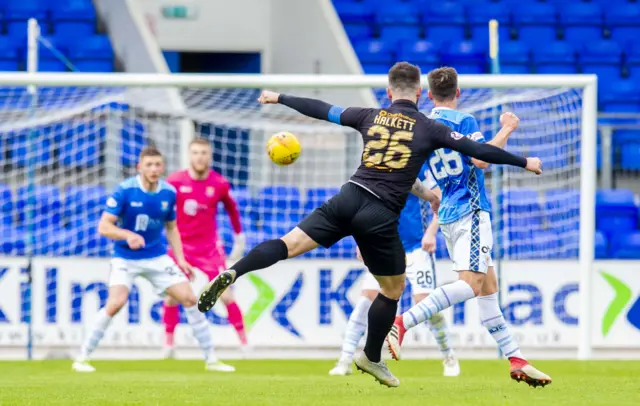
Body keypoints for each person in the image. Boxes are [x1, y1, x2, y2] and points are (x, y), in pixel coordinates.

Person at [198, 62, 542, 387]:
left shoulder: (370, 115)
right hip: (379, 216)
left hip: (347, 197)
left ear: (388, 92)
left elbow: (322, 108)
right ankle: (372, 356)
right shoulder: (429, 127)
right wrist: (525, 161)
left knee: (288, 244)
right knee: (393, 290)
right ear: (418, 95)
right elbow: (482, 152)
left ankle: (234, 271)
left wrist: (279, 98)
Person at [385, 67, 552, 388]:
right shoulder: (463, 122)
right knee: (472, 285)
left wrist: (432, 195)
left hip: (447, 211)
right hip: (471, 209)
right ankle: (401, 322)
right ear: (458, 93)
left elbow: (411, 175)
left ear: (428, 94)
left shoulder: (421, 126)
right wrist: (507, 130)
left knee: (488, 291)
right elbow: (481, 160)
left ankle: (516, 359)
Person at [72, 147, 234, 373]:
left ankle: (211, 360)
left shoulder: (168, 192)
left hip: (157, 256)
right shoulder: (125, 190)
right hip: (125, 258)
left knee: (189, 298)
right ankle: (82, 357)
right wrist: (127, 235)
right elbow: (104, 227)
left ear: (163, 167)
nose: (154, 169)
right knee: (116, 303)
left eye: (158, 165)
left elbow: (171, 227)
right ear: (140, 167)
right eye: (149, 165)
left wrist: (181, 259)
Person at [329, 166, 460, 377]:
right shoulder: (374, 165)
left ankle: (448, 355)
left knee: (426, 305)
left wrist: (431, 233)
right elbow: (362, 207)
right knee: (366, 301)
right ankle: (344, 360)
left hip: (418, 248)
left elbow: (439, 199)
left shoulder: (419, 165)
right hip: (384, 246)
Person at [163, 138, 248, 358]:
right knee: (172, 296)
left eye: (204, 153)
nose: (200, 157)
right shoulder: (174, 182)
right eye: (196, 153)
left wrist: (239, 237)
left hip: (209, 248)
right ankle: (169, 344)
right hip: (182, 248)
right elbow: (163, 210)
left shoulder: (219, 183)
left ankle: (245, 344)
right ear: (189, 156)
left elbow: (232, 209)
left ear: (209, 156)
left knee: (226, 294)